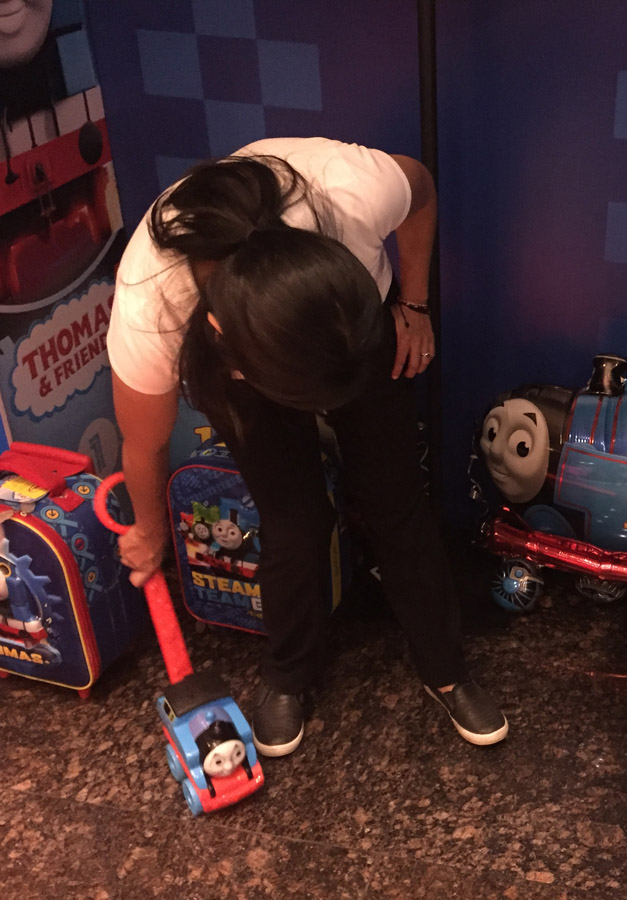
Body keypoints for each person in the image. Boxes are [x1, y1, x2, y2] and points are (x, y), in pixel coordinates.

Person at [106, 137, 508, 757]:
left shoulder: (350, 192)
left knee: (395, 500)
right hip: (242, 354)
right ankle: (289, 672)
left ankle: (446, 667)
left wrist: (414, 304)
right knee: (292, 520)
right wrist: (149, 530)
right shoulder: (154, 300)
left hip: (349, 331)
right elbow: (144, 440)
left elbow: (421, 187)